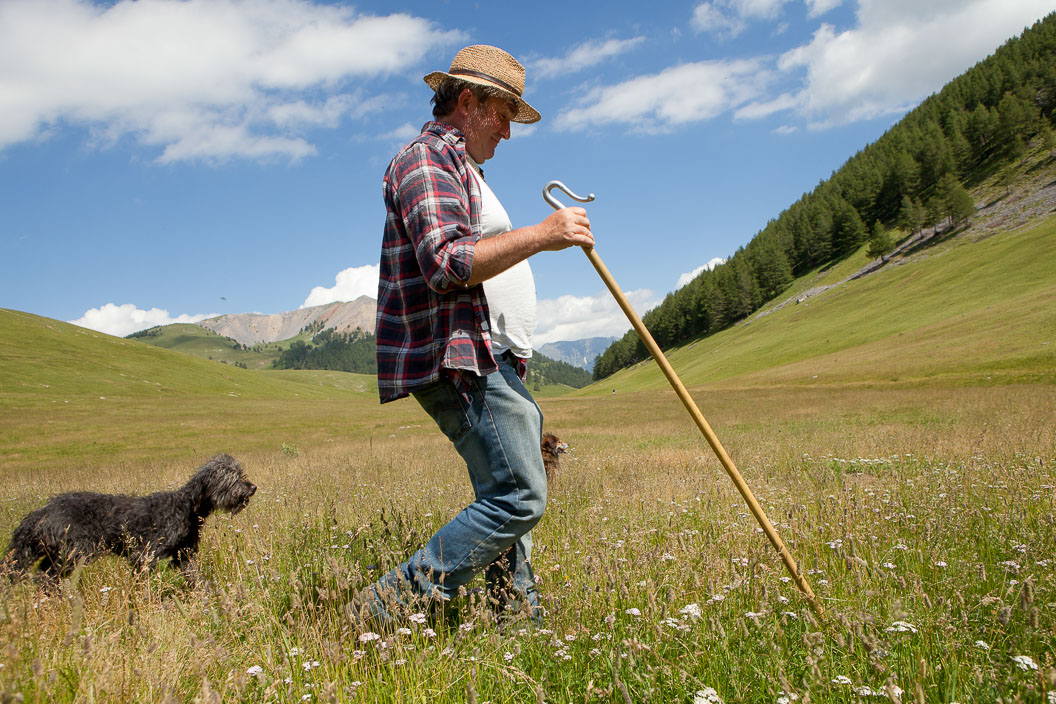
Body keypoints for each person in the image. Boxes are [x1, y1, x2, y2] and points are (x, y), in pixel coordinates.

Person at [360, 45, 593, 627]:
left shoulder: (464, 171)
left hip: (490, 355)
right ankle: (385, 606)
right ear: (468, 102)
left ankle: (516, 618)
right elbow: (445, 262)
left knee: (505, 487)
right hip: (460, 356)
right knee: (520, 494)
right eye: (504, 113)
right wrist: (542, 235)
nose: (510, 132)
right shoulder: (422, 162)